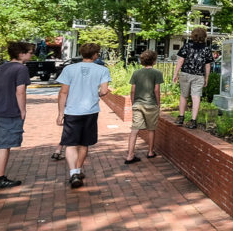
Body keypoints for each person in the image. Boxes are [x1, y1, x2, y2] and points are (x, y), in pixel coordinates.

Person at [56, 42, 111, 189]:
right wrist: (97, 94)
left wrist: (60, 113)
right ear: (95, 55)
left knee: (70, 143)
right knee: (84, 143)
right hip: (90, 111)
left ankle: (73, 172)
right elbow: (105, 91)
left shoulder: (69, 69)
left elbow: (63, 92)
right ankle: (78, 170)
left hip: (72, 111)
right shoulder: (102, 70)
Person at [0, 42, 34, 189]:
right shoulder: (21, 69)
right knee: (5, 145)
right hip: (8, 111)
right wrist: (22, 110)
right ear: (21, 54)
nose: (31, 55)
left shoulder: (0, 68)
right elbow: (20, 91)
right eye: (30, 52)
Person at [124, 49, 163, 163]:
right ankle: (150, 152)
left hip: (138, 104)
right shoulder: (157, 73)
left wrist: (133, 102)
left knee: (134, 129)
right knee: (151, 129)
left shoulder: (136, 73)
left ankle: (130, 155)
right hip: (151, 104)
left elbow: (132, 90)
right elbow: (156, 90)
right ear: (154, 61)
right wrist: (158, 103)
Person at [173, 27, 211, 129]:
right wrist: (206, 78)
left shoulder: (187, 46)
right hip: (199, 75)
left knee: (184, 95)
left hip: (186, 73)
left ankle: (181, 117)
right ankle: (193, 120)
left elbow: (180, 61)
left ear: (193, 36)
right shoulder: (207, 49)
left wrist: (175, 74)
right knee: (196, 97)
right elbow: (207, 65)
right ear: (204, 37)